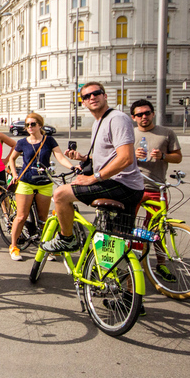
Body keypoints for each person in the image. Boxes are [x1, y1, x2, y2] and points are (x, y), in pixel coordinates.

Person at [50, 82, 145, 253]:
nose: (92, 97)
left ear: (105, 96)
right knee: (116, 244)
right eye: (86, 96)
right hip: (121, 184)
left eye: (96, 93)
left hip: (122, 184)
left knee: (60, 194)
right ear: (83, 103)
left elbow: (126, 158)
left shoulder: (116, 118)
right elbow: (110, 156)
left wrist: (93, 178)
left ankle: (67, 239)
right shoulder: (98, 122)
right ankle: (126, 276)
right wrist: (84, 158)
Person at [6, 113, 76, 261]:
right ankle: (14, 246)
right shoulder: (22, 142)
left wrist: (72, 166)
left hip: (44, 182)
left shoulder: (49, 140)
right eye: (27, 125)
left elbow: (60, 156)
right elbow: (11, 159)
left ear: (40, 125)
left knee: (44, 218)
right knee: (21, 216)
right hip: (26, 182)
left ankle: (46, 247)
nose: (30, 127)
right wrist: (14, 174)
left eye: (33, 124)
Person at [131, 98, 182, 283]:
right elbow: (117, 158)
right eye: (139, 114)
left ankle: (160, 264)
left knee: (157, 230)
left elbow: (178, 157)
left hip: (156, 189)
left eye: (147, 113)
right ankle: (127, 264)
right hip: (133, 187)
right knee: (127, 227)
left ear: (153, 113)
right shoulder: (130, 133)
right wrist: (132, 156)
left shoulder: (166, 133)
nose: (144, 117)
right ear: (133, 117)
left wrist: (163, 156)